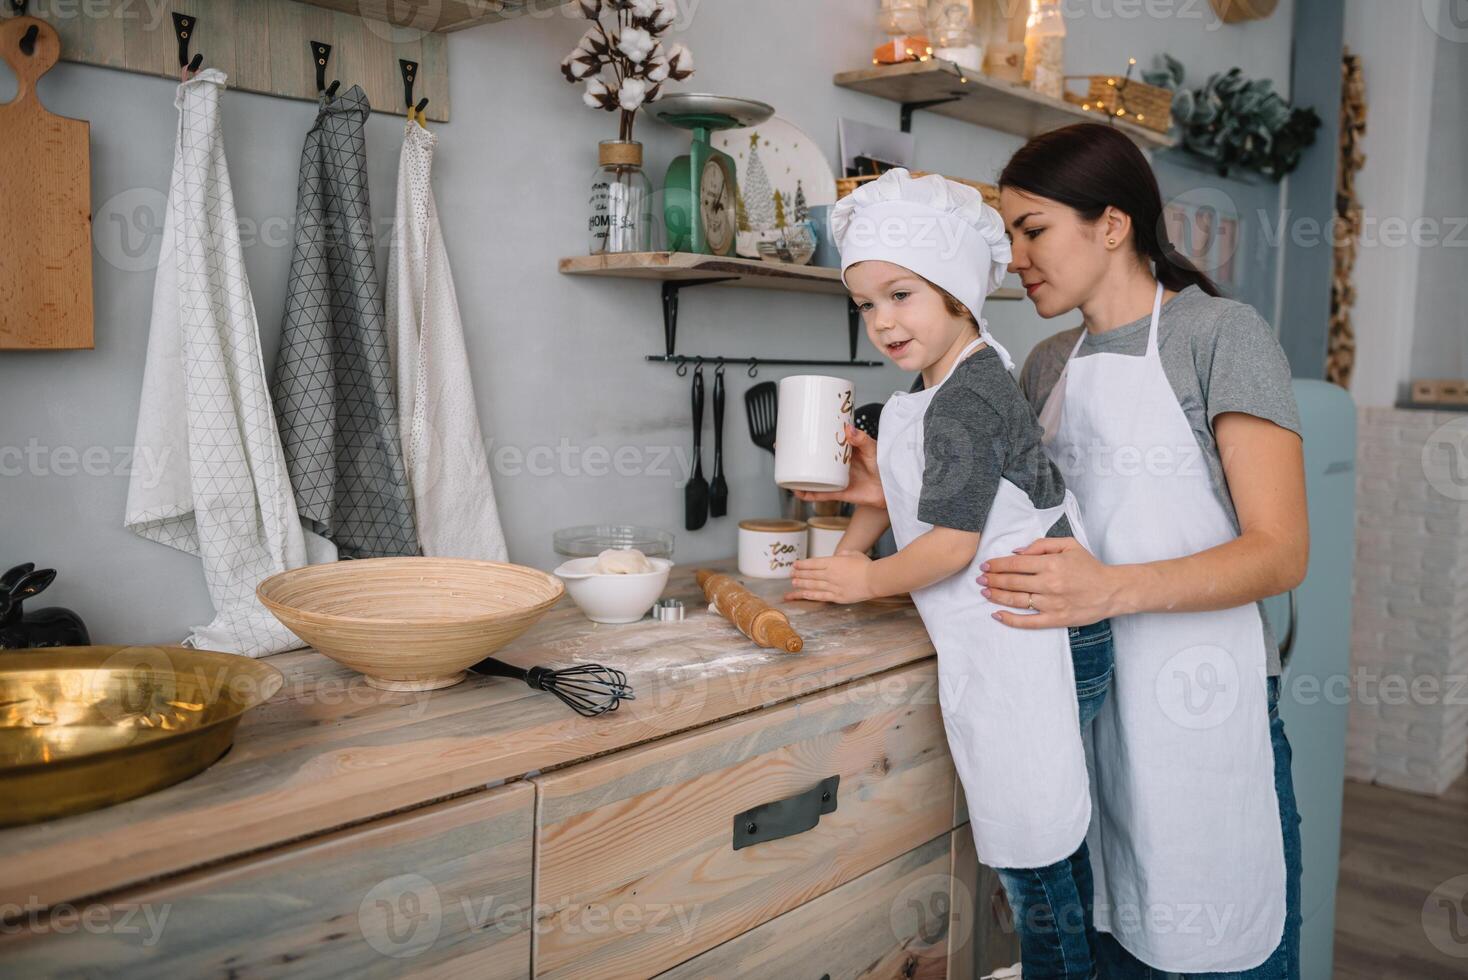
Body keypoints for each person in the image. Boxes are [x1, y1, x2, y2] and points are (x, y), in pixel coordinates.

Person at [784, 168, 1115, 979]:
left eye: (900, 295)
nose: (882, 321)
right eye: (865, 304)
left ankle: (1061, 972)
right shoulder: (939, 383)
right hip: (1016, 635)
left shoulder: (967, 396)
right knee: (1042, 840)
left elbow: (951, 546)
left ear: (957, 294)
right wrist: (860, 517)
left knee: (1035, 852)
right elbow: (916, 496)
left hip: (1035, 642)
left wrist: (863, 581)